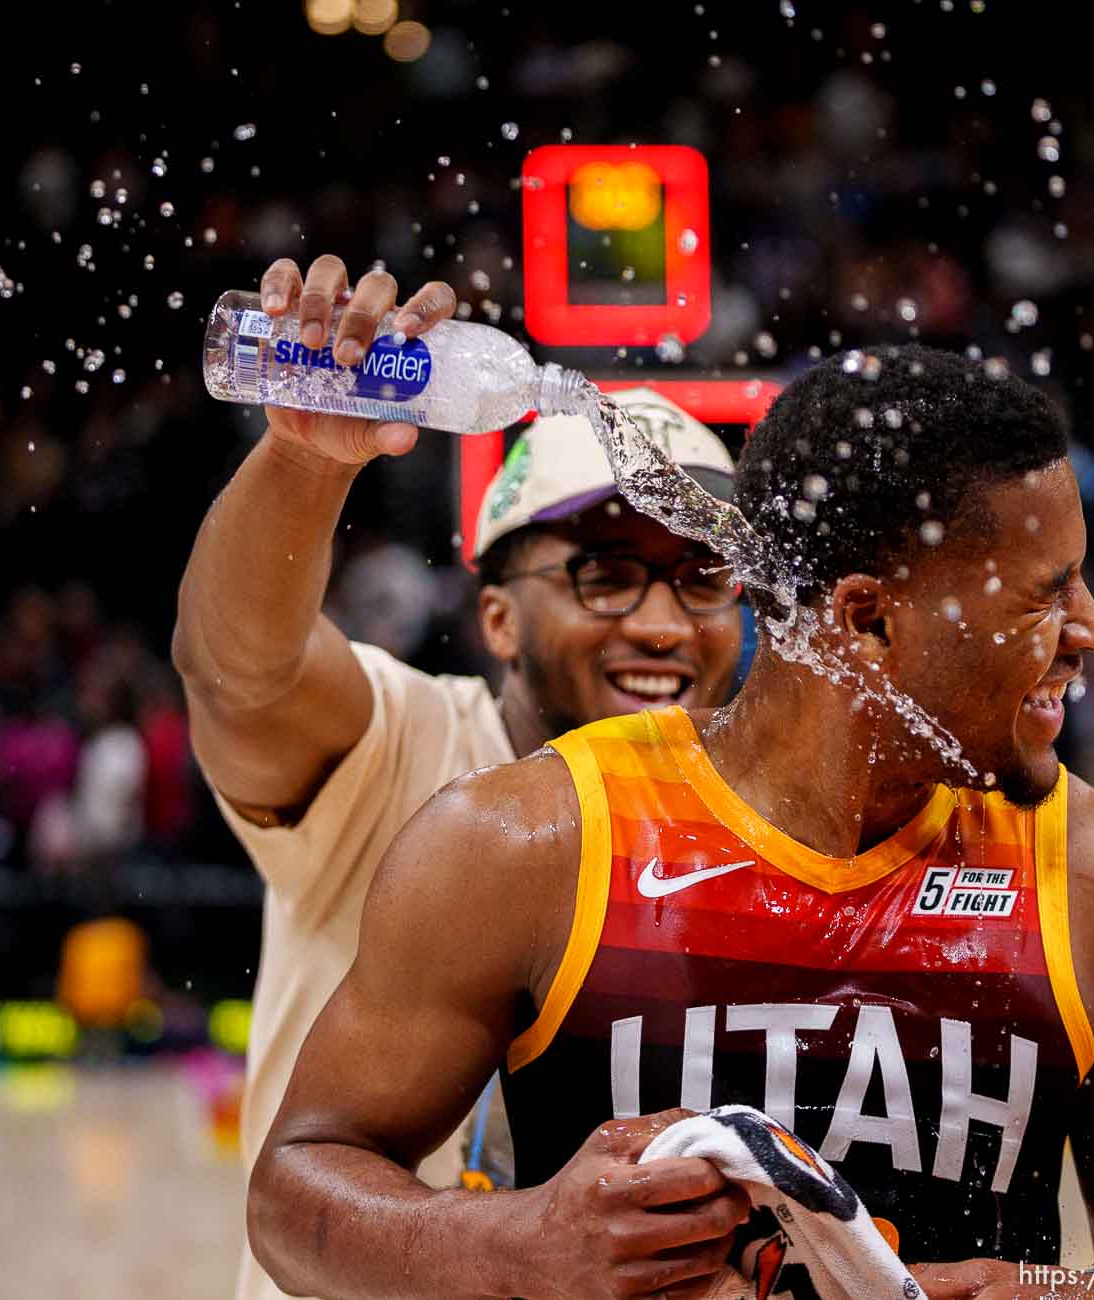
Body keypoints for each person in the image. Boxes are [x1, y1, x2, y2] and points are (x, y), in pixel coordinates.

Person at [248, 342, 1094, 1300]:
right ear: (865, 621)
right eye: (1044, 592)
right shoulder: (531, 842)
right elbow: (293, 1190)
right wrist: (513, 1244)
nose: (1092, 630)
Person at [171, 256, 744, 1300]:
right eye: (603, 575)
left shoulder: (762, 817)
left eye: (702, 574)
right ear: (496, 618)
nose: (663, 624)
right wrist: (303, 467)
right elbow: (238, 672)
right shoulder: (405, 744)